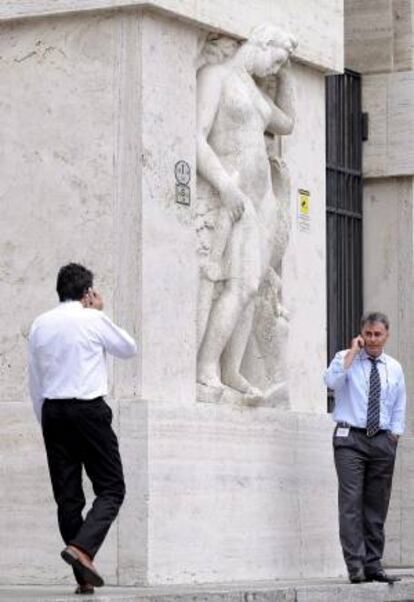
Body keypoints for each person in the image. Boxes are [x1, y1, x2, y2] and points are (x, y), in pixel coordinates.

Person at [196, 25, 297, 397]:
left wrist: (288, 73)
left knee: (252, 288)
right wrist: (224, 185)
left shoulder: (254, 91)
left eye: (282, 64)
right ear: (260, 43)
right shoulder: (215, 76)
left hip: (262, 201)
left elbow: (286, 123)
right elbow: (196, 136)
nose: (275, 69)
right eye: (277, 59)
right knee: (236, 286)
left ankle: (232, 369)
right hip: (235, 197)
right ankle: (207, 365)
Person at [28, 263, 137, 594]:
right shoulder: (92, 317)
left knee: (68, 497)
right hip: (88, 411)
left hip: (53, 412)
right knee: (112, 488)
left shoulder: (40, 324)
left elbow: (34, 379)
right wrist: (100, 312)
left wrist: (43, 416)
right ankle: (83, 550)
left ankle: (82, 576)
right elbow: (129, 348)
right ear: (88, 292)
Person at [325, 312, 406, 584]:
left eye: (377, 335)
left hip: (382, 441)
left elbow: (399, 405)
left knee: (376, 506)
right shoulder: (344, 358)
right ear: (362, 334)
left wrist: (394, 436)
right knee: (350, 503)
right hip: (350, 440)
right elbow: (331, 382)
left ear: (386, 336)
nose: (372, 340)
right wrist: (351, 353)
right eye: (368, 334)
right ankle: (356, 566)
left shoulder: (393, 367)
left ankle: (373, 564)